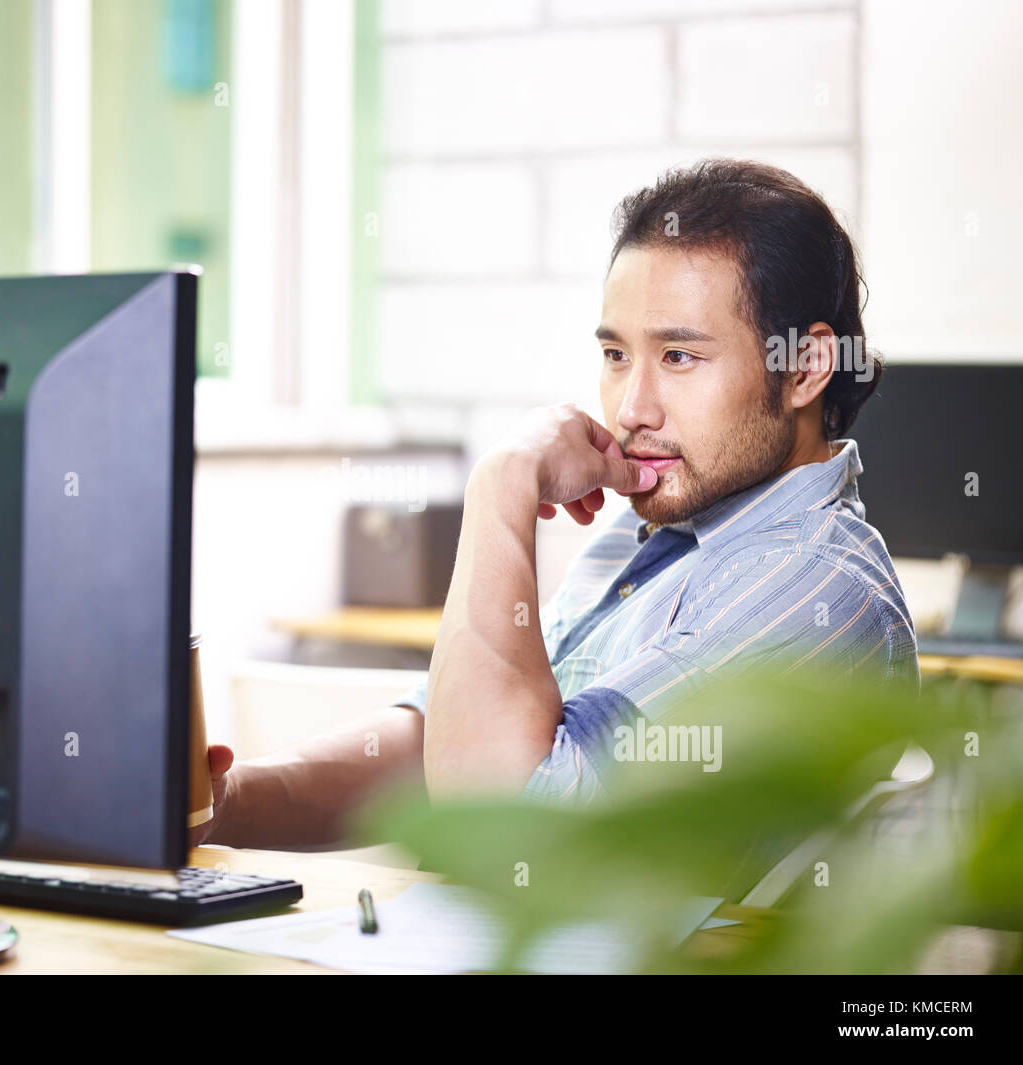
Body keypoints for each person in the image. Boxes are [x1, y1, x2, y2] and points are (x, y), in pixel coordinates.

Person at [197, 158, 917, 848]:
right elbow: (450, 737)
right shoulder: (645, 530)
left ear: (805, 367)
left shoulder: (809, 586)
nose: (633, 408)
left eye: (679, 357)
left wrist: (501, 489)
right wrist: (220, 805)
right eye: (615, 356)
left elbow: (510, 814)